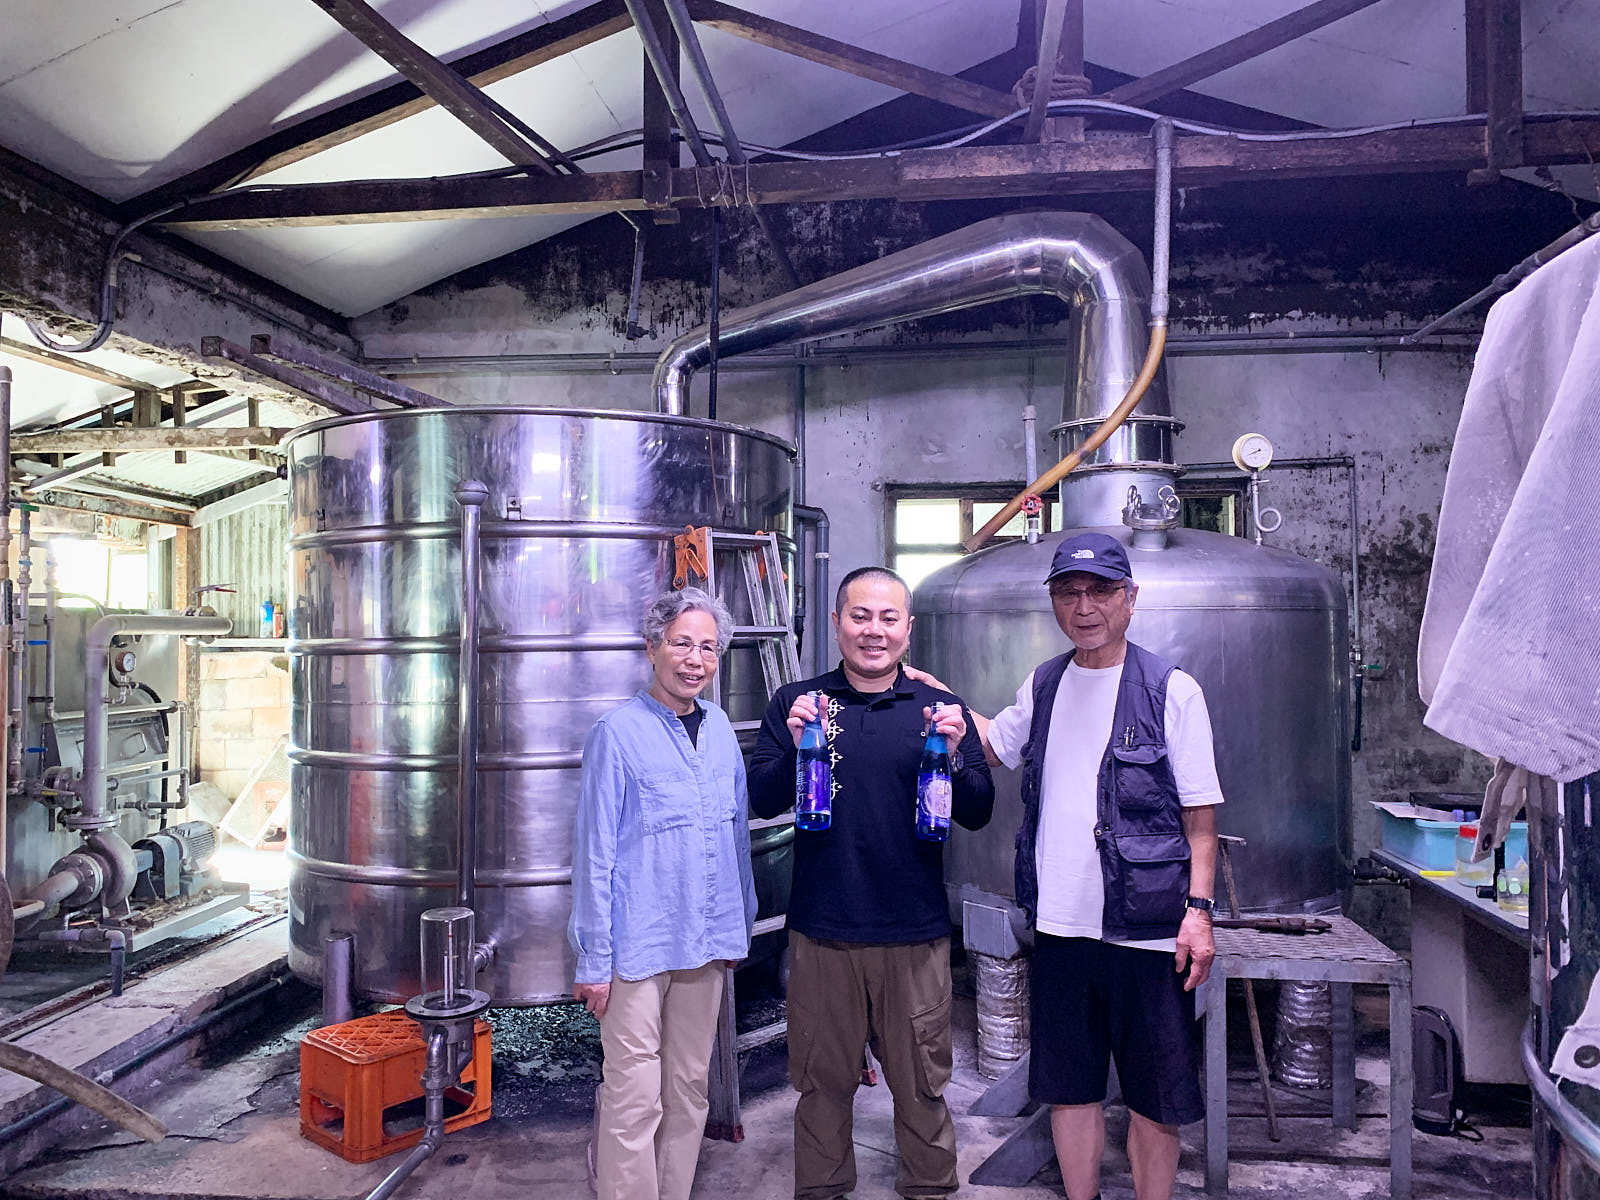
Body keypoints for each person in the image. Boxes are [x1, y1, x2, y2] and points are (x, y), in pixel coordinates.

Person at [965, 531, 1222, 1200]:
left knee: (1154, 1099)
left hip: (1148, 931)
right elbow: (993, 744)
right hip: (1060, 927)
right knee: (1070, 1089)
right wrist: (920, 690)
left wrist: (1198, 914)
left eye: (1101, 591)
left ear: (1130, 598)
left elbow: (1200, 821)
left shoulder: (1171, 691)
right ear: (1054, 600)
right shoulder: (1045, 684)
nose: (1084, 607)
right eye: (1068, 592)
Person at [749, 566, 995, 1200]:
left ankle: (929, 1189)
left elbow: (978, 810)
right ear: (837, 623)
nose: (873, 631)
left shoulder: (938, 708)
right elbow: (762, 799)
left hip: (914, 935)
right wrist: (797, 741)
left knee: (921, 1088)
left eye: (888, 618)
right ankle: (823, 1190)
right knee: (820, 1087)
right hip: (822, 933)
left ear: (908, 629)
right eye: (860, 616)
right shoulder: (800, 702)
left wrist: (957, 751)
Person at [568, 587, 757, 1200]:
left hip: (706, 941)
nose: (695, 659)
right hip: (636, 949)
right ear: (652, 648)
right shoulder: (616, 733)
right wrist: (593, 959)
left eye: (709, 647)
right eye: (681, 644)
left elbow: (735, 837)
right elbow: (594, 854)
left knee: (689, 1089)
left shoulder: (721, 729)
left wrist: (737, 927)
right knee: (634, 1095)